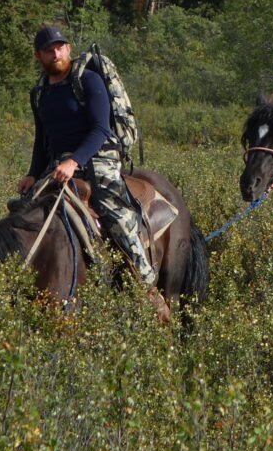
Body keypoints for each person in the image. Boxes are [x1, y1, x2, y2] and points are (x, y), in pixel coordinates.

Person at [18, 24, 169, 319]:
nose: (56, 53)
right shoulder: (40, 94)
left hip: (99, 154)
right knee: (23, 210)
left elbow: (101, 128)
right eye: (49, 50)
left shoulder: (87, 80)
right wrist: (33, 174)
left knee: (114, 211)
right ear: (39, 56)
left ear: (69, 49)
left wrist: (75, 161)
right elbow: (42, 139)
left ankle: (146, 284)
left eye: (60, 47)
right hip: (60, 161)